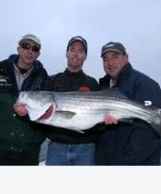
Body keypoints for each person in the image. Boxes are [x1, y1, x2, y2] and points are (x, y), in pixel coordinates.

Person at [15, 36, 105, 165]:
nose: (76, 54)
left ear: (85, 56)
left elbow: (98, 124)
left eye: (80, 51)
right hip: (57, 148)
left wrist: (105, 121)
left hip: (86, 149)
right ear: (66, 53)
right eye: (72, 49)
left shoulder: (92, 83)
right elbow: (38, 121)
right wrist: (25, 114)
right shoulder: (51, 81)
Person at [0, 34, 48, 165]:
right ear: (18, 49)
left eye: (35, 49)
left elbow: (45, 114)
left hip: (30, 150)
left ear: (38, 54)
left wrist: (37, 138)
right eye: (26, 46)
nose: (29, 51)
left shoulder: (42, 77)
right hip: (0, 149)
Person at [96, 41, 161, 165]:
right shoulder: (103, 87)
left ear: (126, 57)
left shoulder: (144, 84)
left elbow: (147, 134)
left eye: (115, 57)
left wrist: (126, 162)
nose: (110, 63)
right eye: (105, 59)